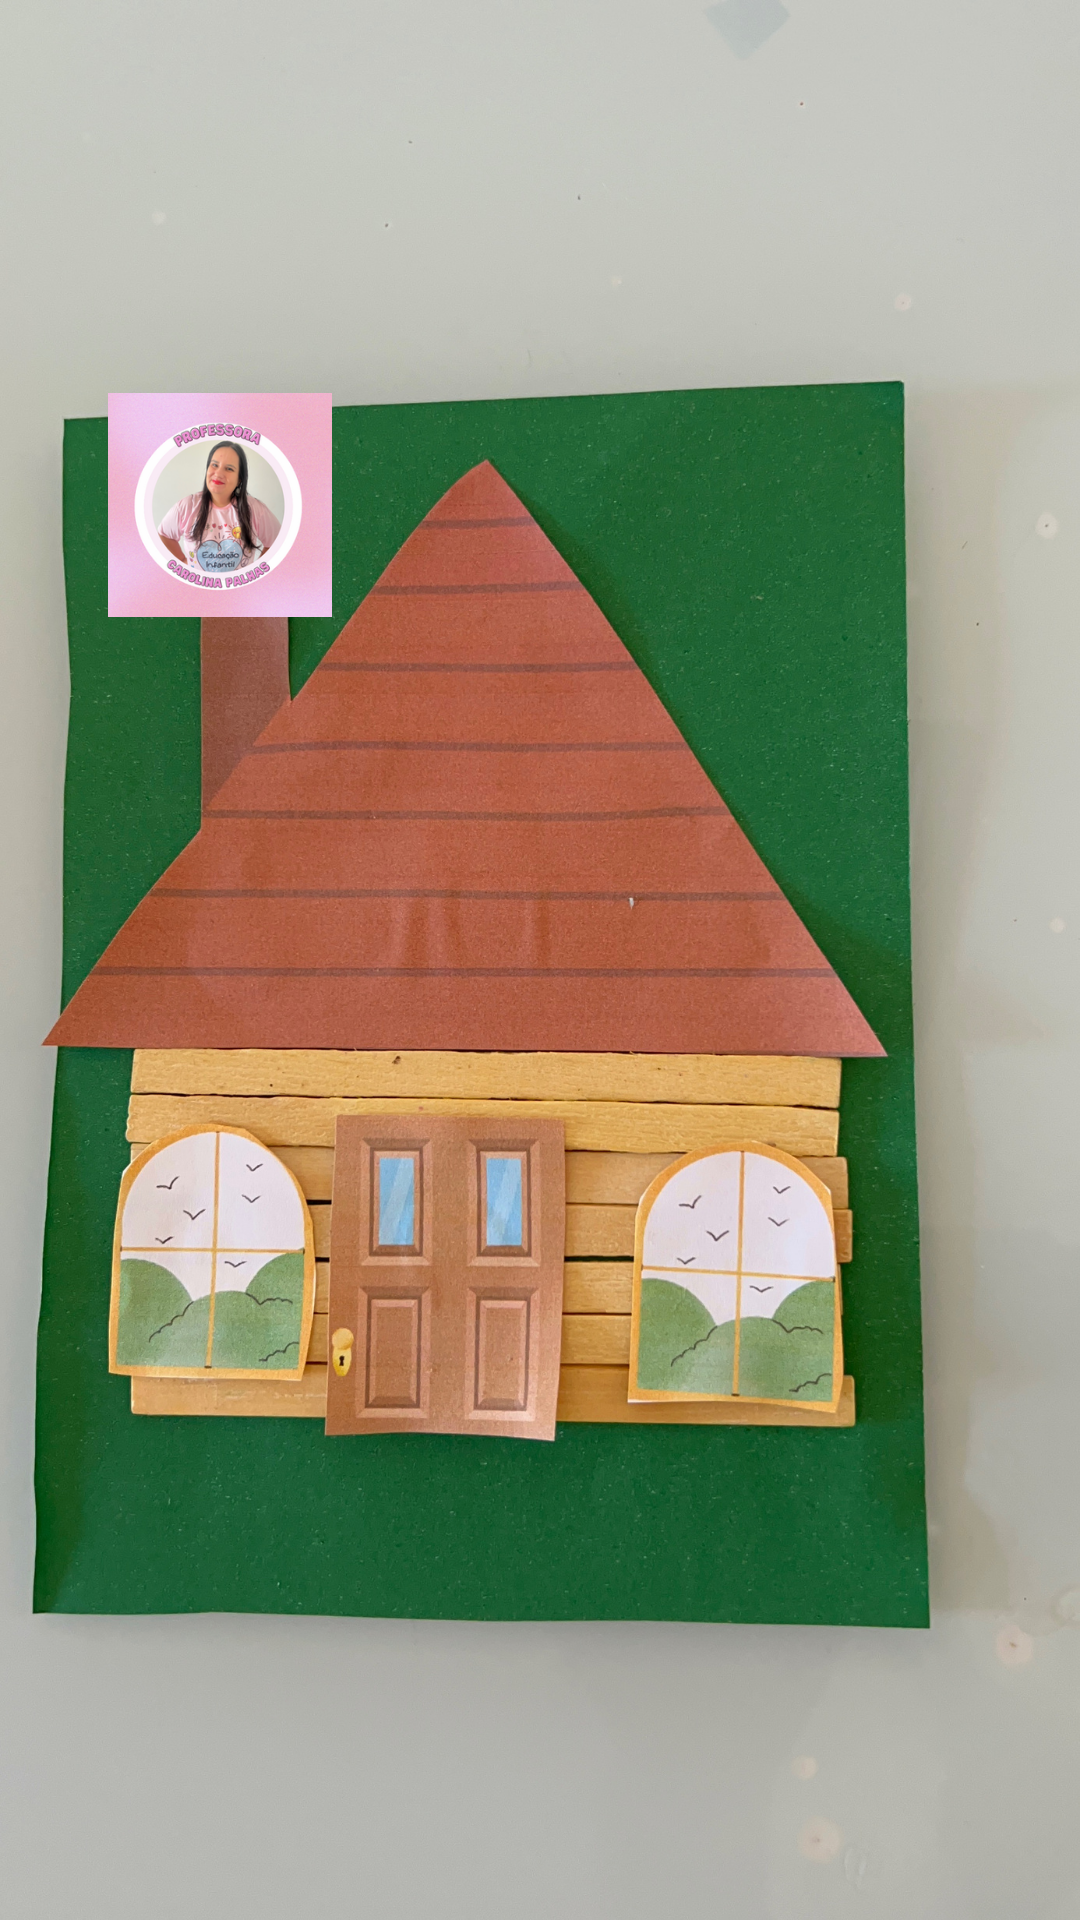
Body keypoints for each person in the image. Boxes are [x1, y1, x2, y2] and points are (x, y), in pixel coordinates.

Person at [158, 441, 280, 574]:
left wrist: (255, 572)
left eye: (229, 468)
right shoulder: (187, 506)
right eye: (215, 465)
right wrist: (182, 560)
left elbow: (279, 541)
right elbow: (164, 535)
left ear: (239, 479)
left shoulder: (255, 509)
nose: (218, 473)